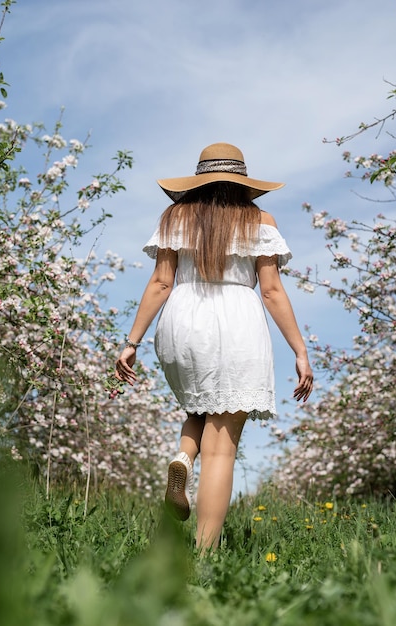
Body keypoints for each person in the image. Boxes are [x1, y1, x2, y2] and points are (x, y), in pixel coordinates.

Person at [115, 142, 313, 552]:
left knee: (200, 407)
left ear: (199, 179)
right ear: (243, 182)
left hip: (182, 319)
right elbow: (272, 291)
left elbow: (160, 283)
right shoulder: (260, 220)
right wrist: (300, 350)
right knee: (222, 448)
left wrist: (130, 342)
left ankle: (184, 460)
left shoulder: (175, 217)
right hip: (237, 319)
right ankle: (206, 554)